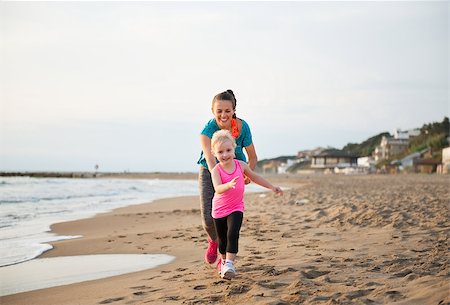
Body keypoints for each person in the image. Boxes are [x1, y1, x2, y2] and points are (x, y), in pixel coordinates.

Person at [210, 129, 283, 279]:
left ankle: (230, 264)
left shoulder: (241, 165)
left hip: (236, 207)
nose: (225, 155)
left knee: (233, 233)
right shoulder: (216, 170)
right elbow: (217, 188)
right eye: (220, 152)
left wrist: (272, 187)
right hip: (219, 210)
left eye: (228, 150)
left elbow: (255, 177)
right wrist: (228, 185)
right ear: (214, 153)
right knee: (222, 240)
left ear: (234, 149)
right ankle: (223, 261)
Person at [197, 90, 257, 265]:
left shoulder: (242, 127)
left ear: (234, 110)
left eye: (227, 111)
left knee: (229, 218)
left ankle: (224, 259)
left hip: (235, 171)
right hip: (210, 170)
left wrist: (248, 174)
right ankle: (213, 241)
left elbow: (252, 157)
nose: (223, 115)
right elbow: (209, 158)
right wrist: (217, 177)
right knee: (209, 219)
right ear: (213, 111)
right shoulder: (207, 131)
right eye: (219, 111)